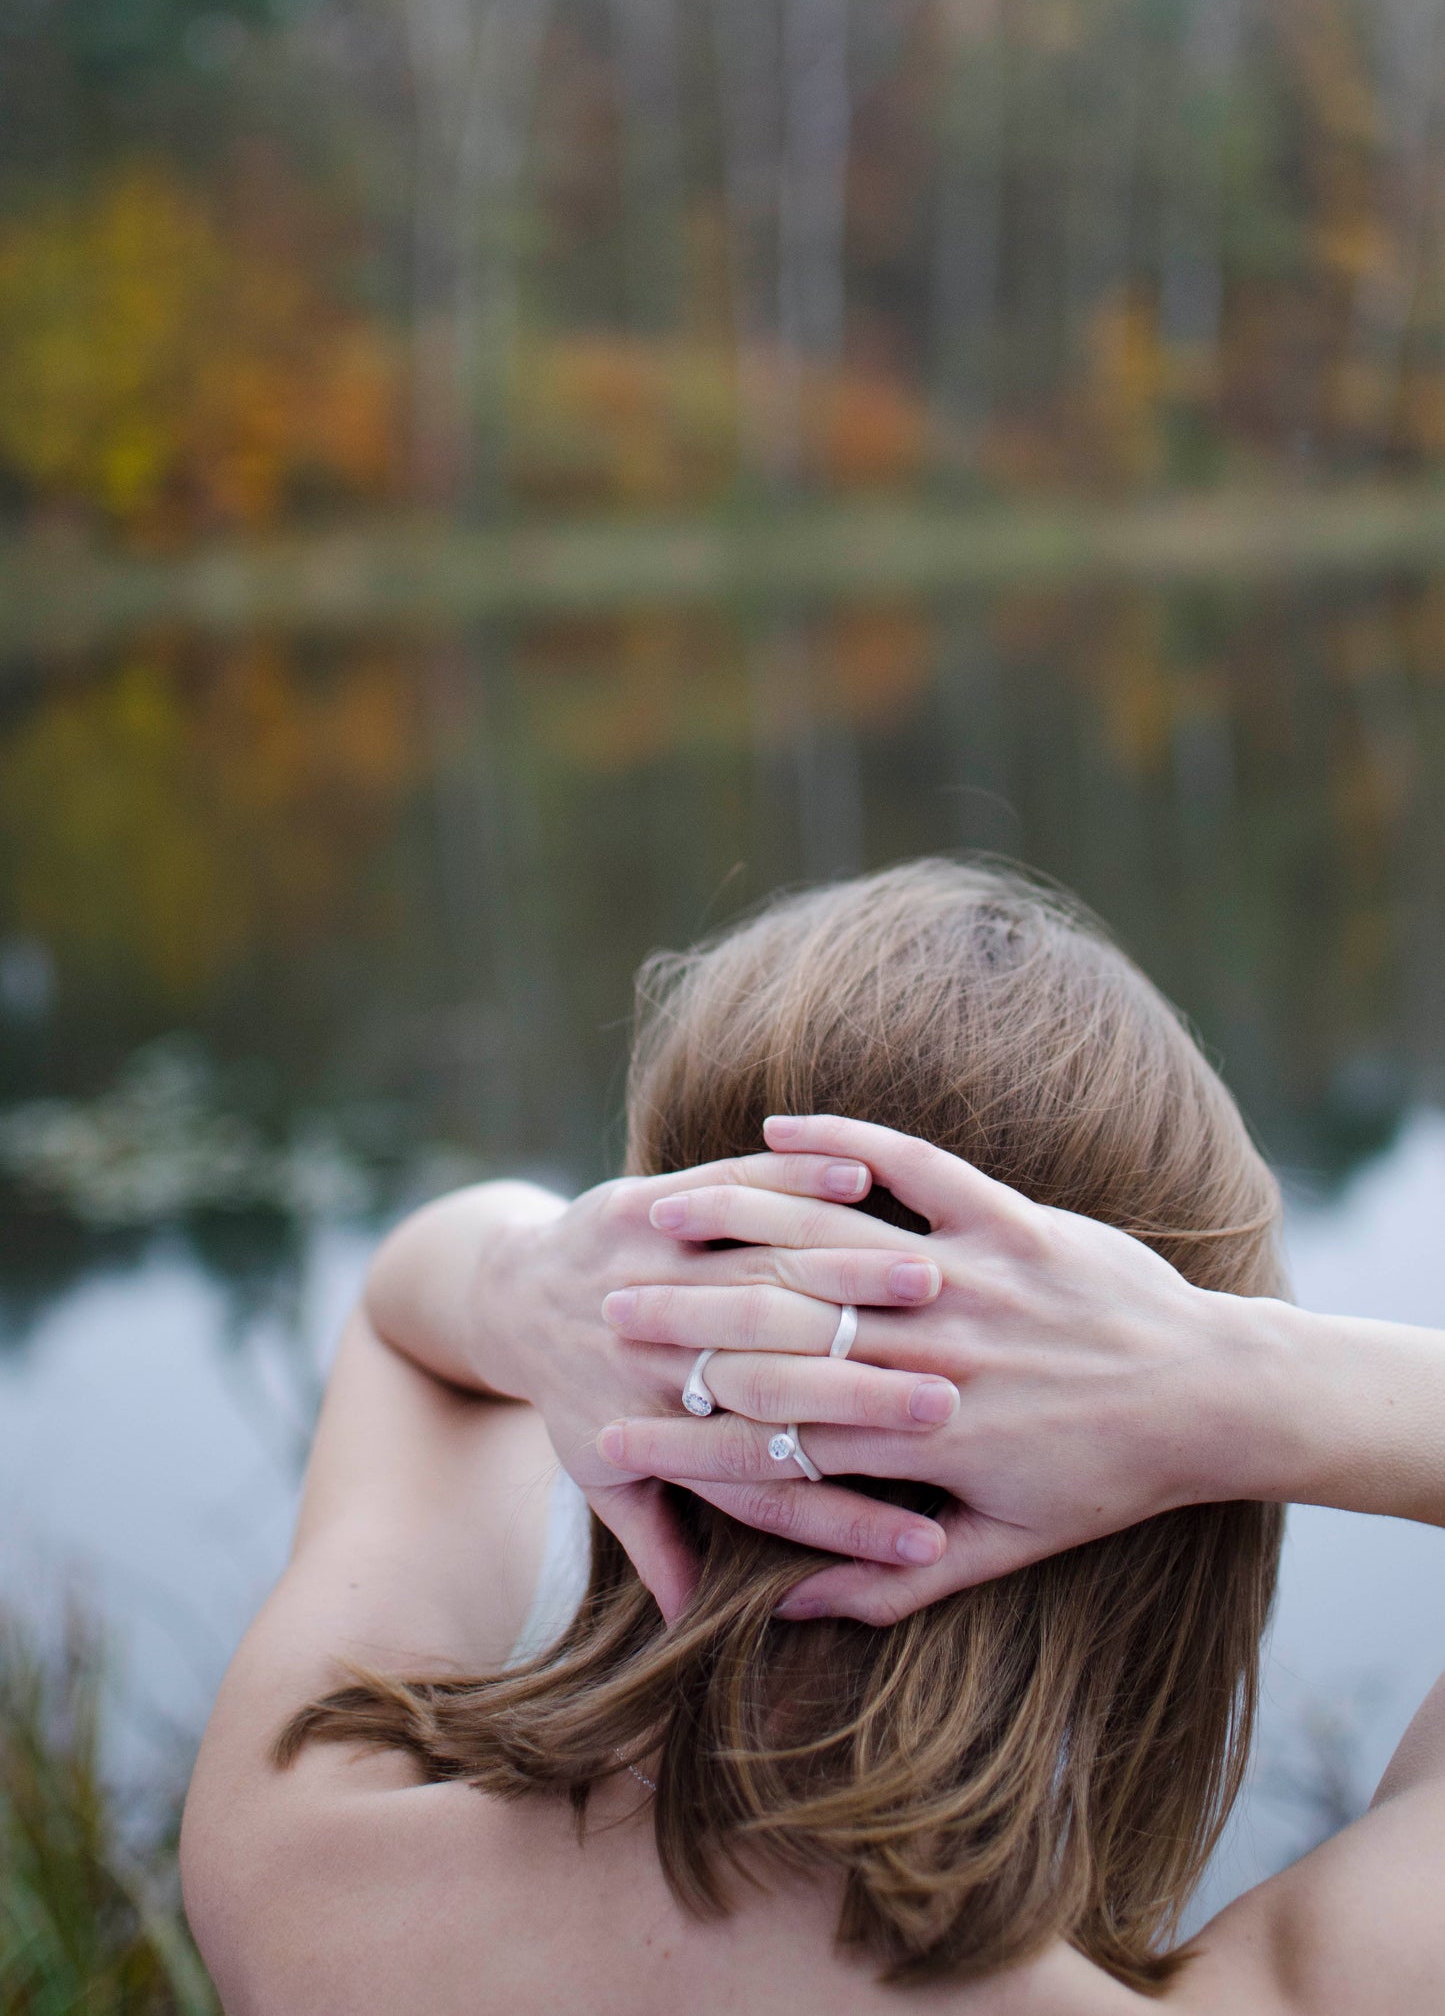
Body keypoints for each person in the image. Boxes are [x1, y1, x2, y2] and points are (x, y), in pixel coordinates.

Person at [182, 861, 1445, 2014]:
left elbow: (408, 1318)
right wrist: (1230, 1378)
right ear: (1171, 1503)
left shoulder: (300, 1863)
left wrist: (531, 1285)